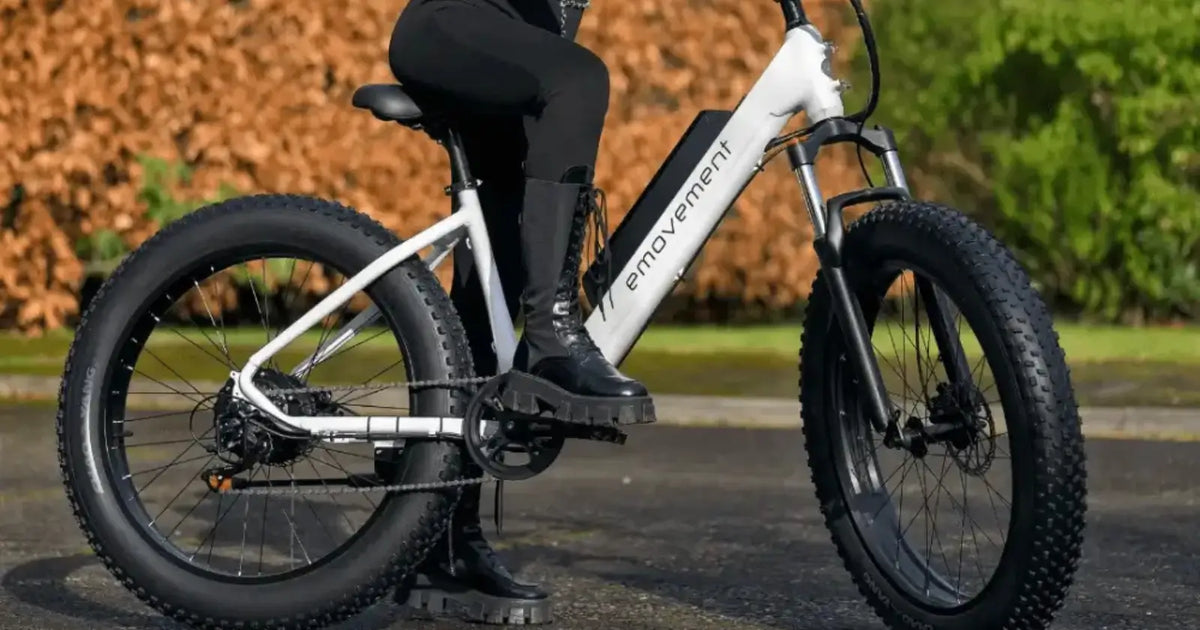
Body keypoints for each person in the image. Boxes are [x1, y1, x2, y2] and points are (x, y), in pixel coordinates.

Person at [387, 0, 648, 623]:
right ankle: (553, 332)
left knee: (487, 298)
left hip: (503, 60)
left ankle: (443, 542)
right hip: (451, 20)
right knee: (580, 78)